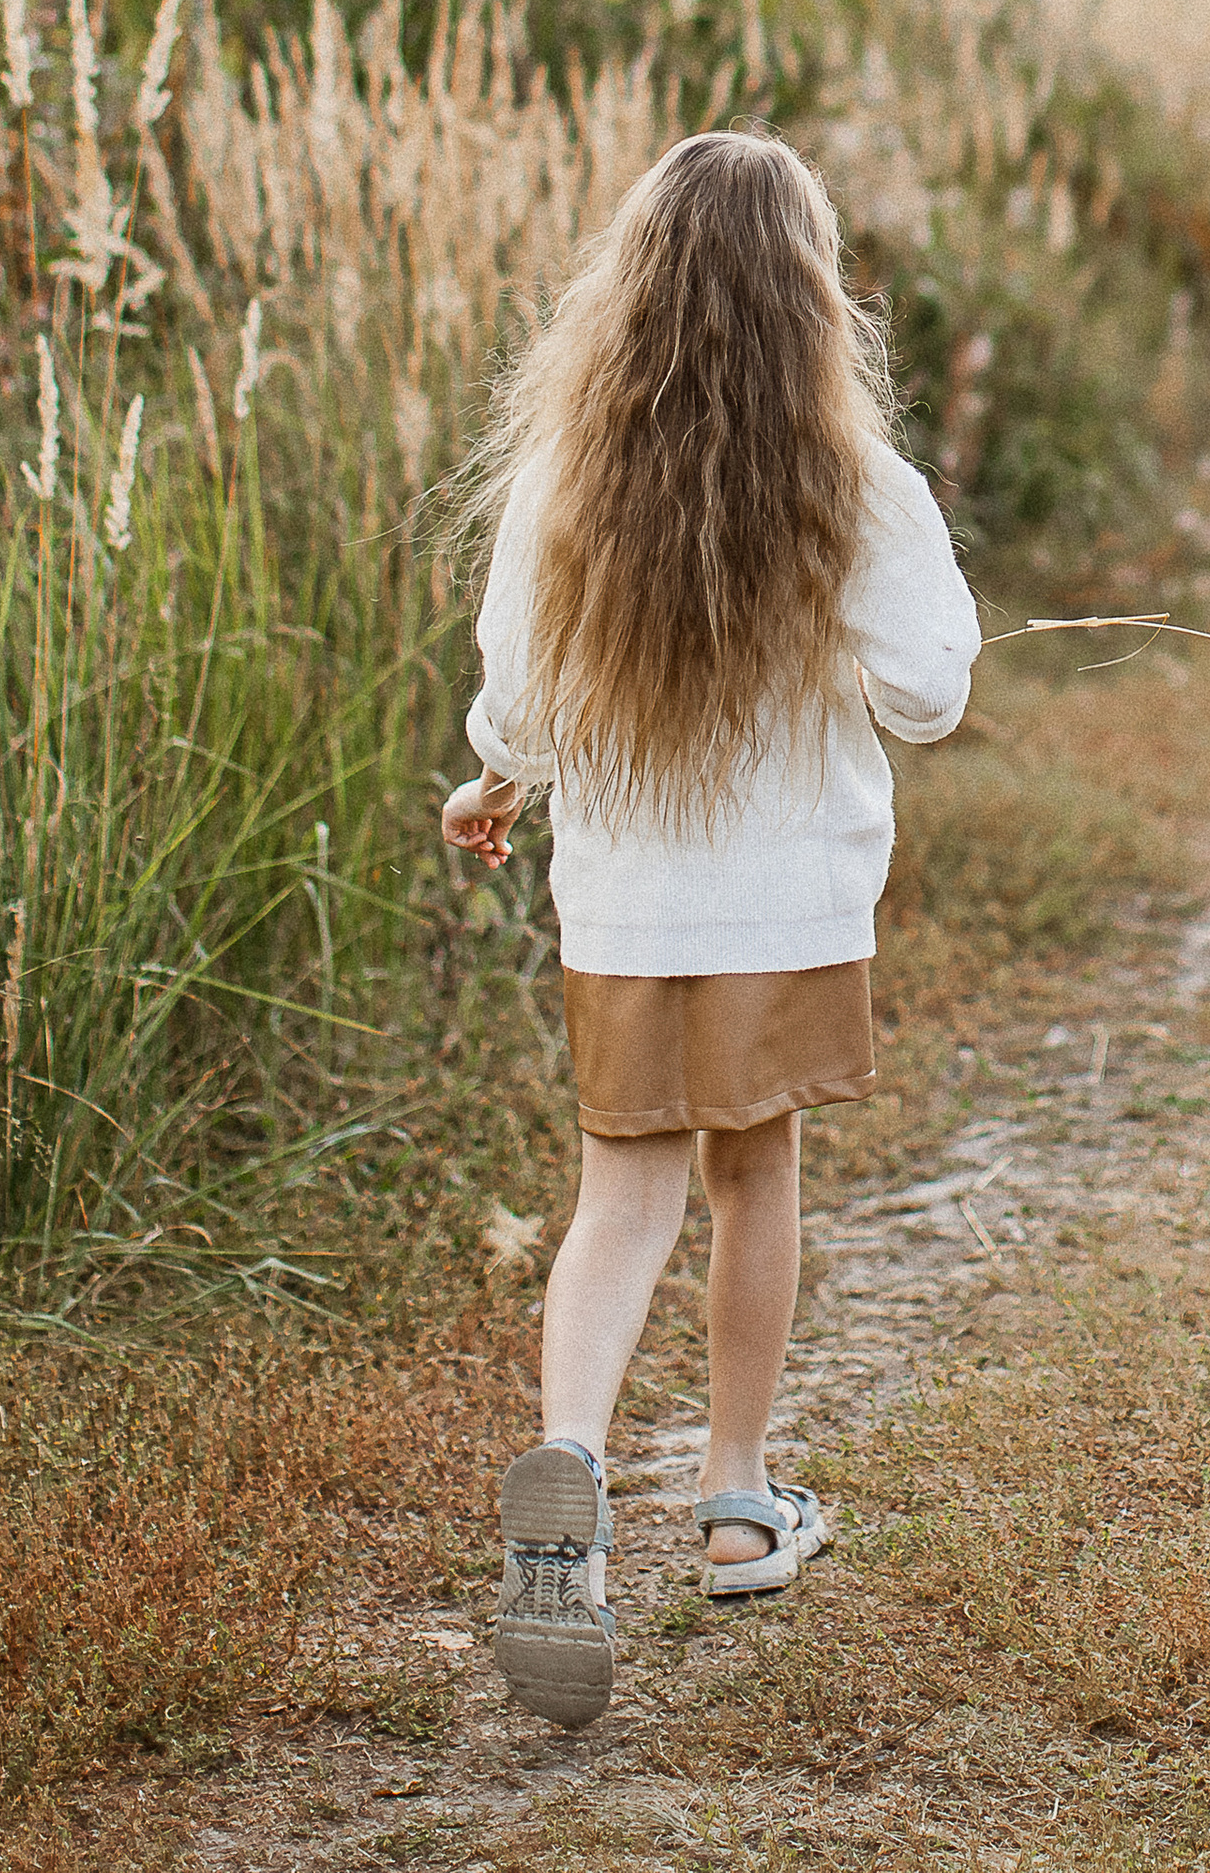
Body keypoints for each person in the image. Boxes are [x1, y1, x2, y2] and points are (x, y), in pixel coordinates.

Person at [439, 131, 980, 1730]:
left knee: (621, 1200)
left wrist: (495, 780)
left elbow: (522, 703)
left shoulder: (566, 483)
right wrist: (840, 647)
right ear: (812, 296)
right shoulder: (853, 485)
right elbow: (931, 693)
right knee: (757, 1177)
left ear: (633, 286)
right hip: (785, 898)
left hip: (626, 907)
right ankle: (740, 1500)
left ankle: (573, 1482)